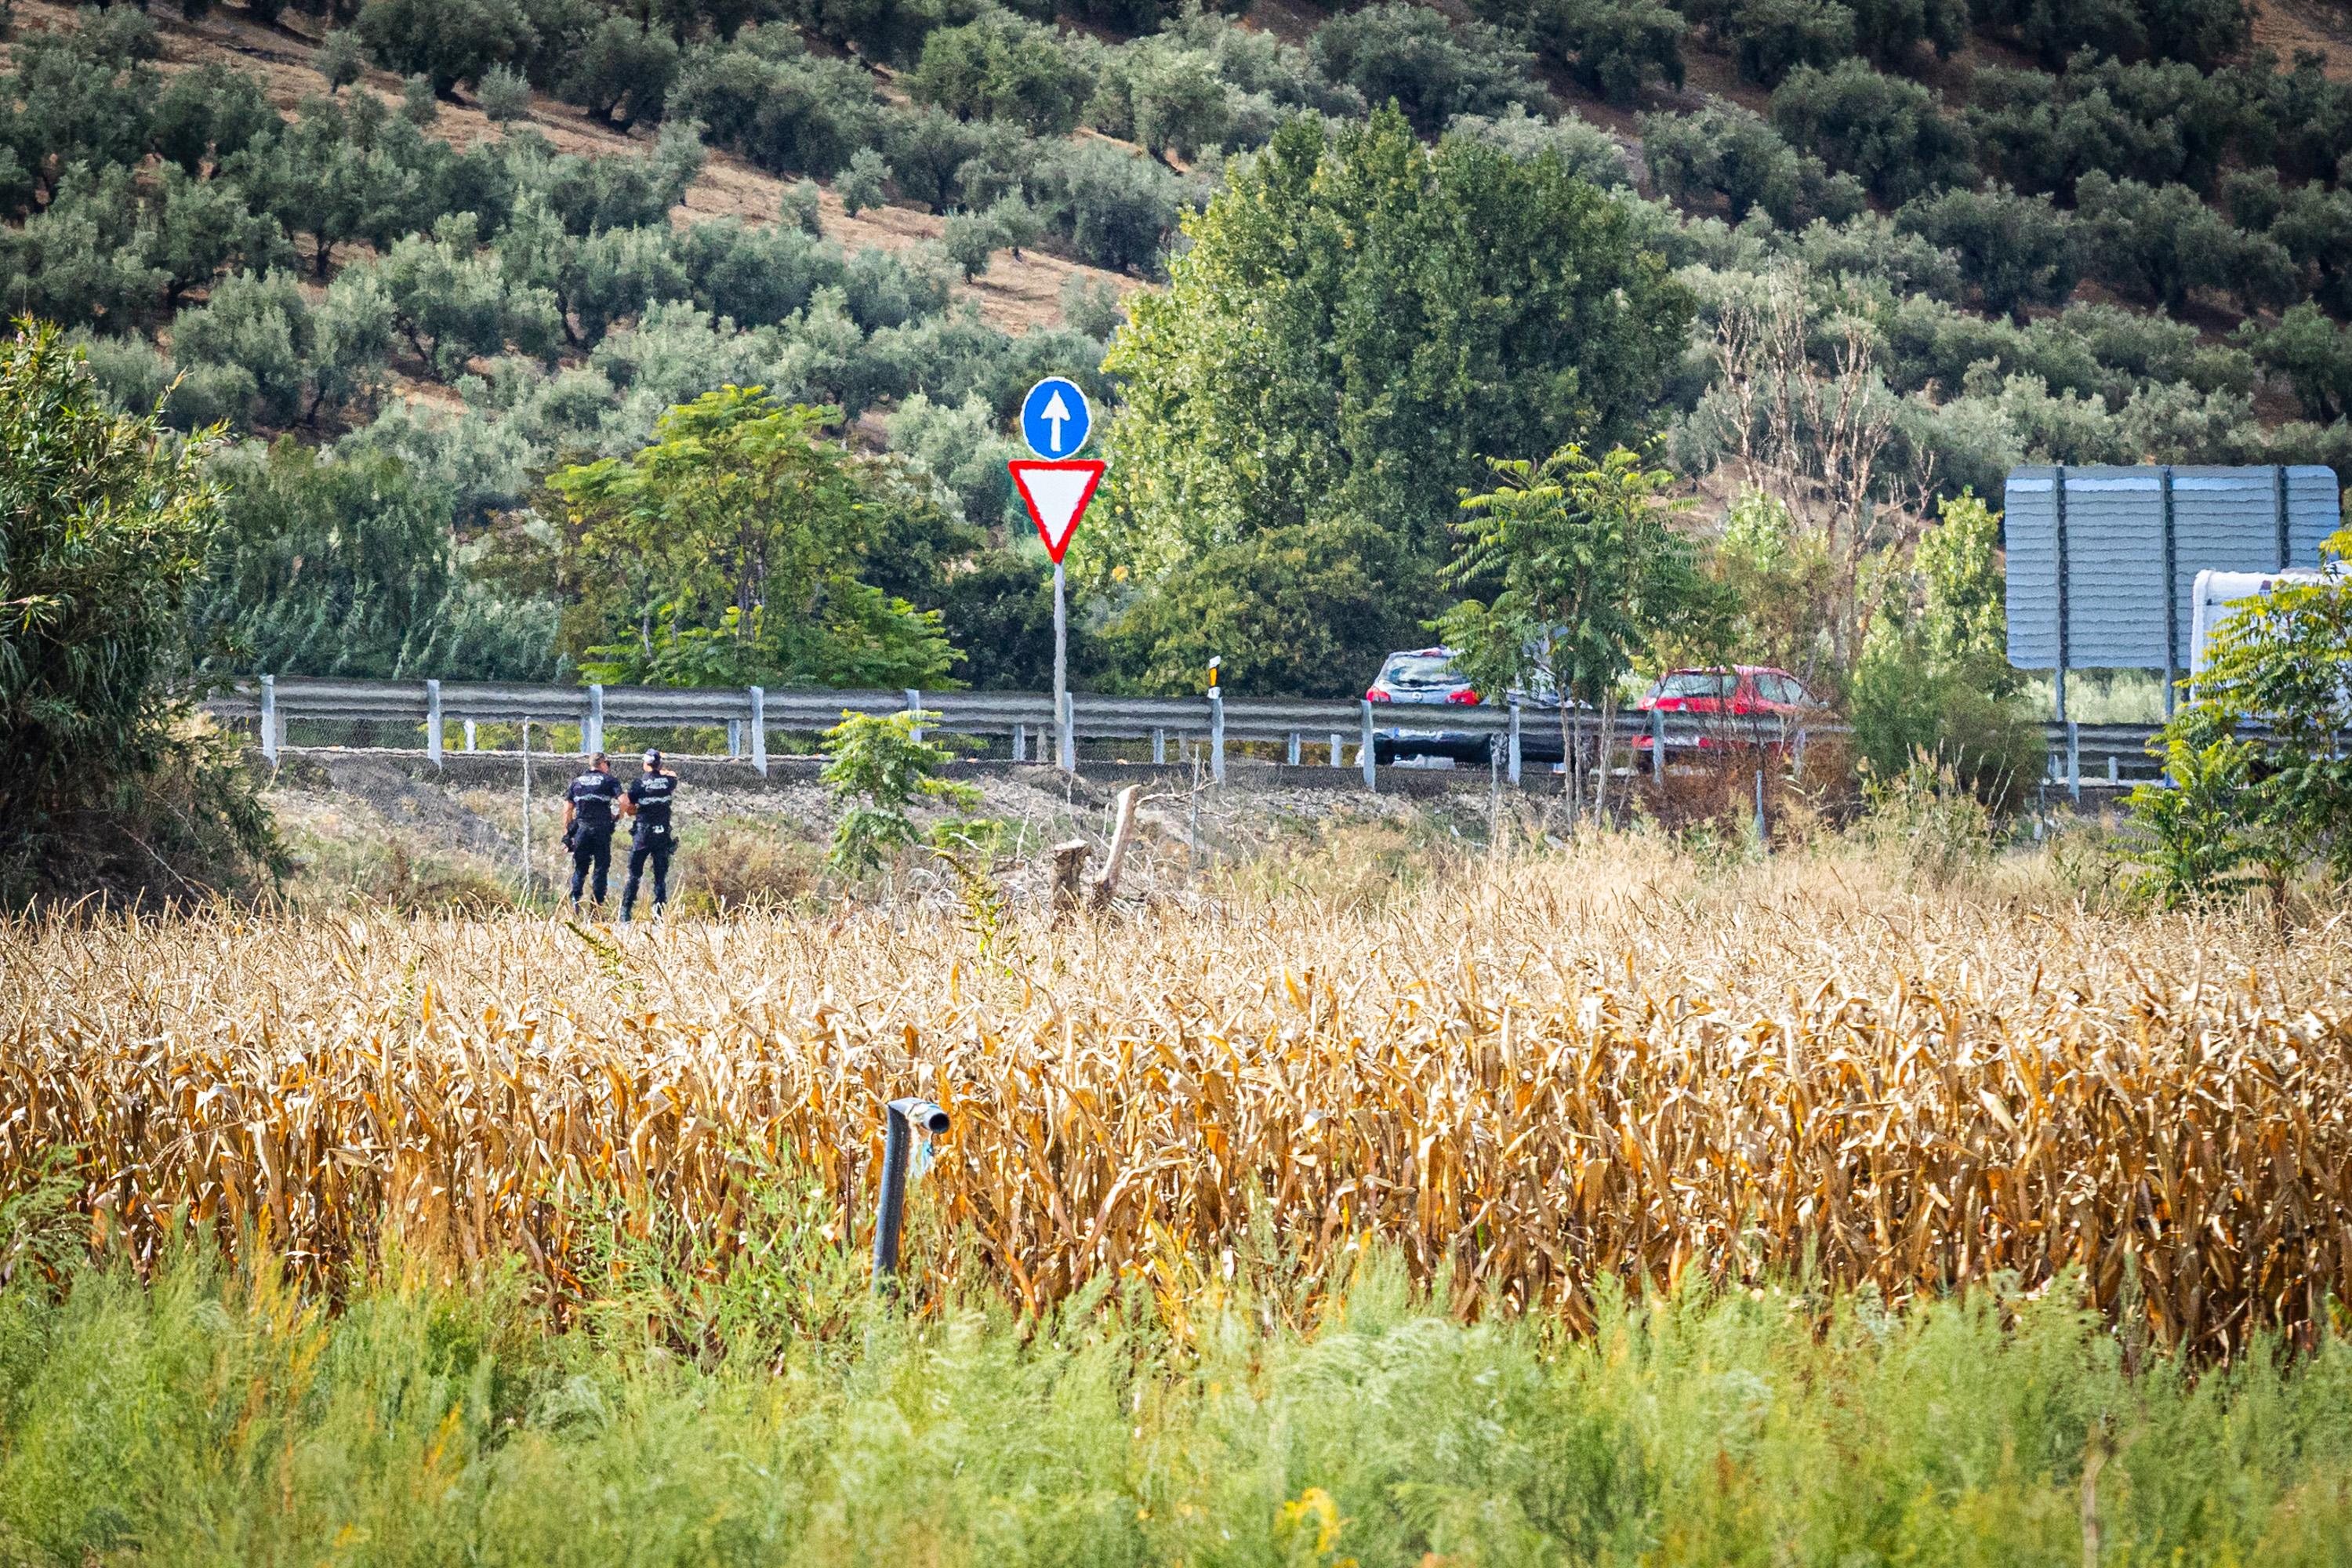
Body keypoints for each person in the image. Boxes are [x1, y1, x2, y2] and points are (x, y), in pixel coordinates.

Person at [621, 748, 679, 922]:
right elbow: (672, 774)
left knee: (634, 874)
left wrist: (635, 810)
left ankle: (626, 912)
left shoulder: (638, 784)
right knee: (660, 876)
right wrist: (661, 768)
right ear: (659, 764)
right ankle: (658, 914)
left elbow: (629, 807)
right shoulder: (669, 782)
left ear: (645, 764)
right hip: (661, 834)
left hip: (643, 834)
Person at [561, 753, 622, 912]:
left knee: (580, 868)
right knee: (601, 869)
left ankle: (575, 903)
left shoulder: (577, 782)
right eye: (607, 763)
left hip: (582, 829)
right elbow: (624, 801)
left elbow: (568, 810)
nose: (608, 767)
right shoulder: (610, 781)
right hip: (601, 830)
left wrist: (568, 835)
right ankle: (596, 908)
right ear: (602, 764)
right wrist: (618, 816)